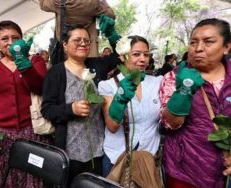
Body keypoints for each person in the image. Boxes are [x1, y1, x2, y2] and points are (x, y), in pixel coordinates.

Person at [41, 24, 122, 184]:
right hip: (69, 150)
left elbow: (120, 55)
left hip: (97, 149)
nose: (83, 44)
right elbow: (47, 109)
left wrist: (113, 36)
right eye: (77, 40)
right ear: (65, 45)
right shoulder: (56, 73)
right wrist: (71, 108)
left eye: (87, 40)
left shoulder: (96, 66)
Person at [0, 20, 49, 188]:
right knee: (4, 177)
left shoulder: (36, 61)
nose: (10, 43)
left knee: (32, 178)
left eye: (15, 38)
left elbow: (39, 88)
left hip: (32, 132)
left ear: (22, 40)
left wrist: (23, 62)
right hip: (1, 136)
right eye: (4, 38)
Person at [160, 18, 231, 187]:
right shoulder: (174, 76)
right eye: (193, 42)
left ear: (227, 46)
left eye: (209, 42)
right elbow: (169, 123)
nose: (198, 48)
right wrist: (183, 92)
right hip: (185, 172)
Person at [98, 35, 163, 177]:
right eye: (136, 54)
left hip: (148, 159)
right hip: (117, 159)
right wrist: (120, 99)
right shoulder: (108, 85)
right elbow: (112, 126)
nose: (143, 59)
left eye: (146, 54)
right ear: (122, 56)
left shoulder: (157, 83)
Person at [39, 0, 115, 57]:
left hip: (67, 52)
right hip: (89, 51)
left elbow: (43, 5)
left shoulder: (57, 2)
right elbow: (111, 15)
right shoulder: (93, 2)